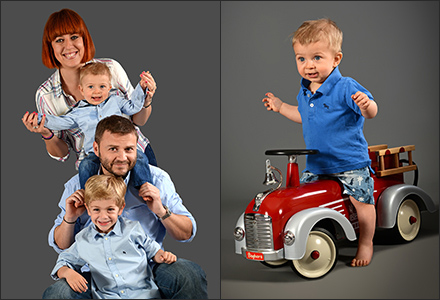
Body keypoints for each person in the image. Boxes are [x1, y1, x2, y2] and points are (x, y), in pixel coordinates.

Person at [43, 115, 208, 299]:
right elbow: (62, 248)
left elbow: (186, 233)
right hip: (98, 275)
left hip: (146, 267)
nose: (122, 158)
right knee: (58, 293)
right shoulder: (77, 187)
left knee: (188, 274)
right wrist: (70, 218)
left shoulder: (156, 180)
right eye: (113, 149)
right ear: (96, 149)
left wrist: (161, 210)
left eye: (129, 149)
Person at [262, 18, 378, 267]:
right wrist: (281, 107)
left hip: (349, 162)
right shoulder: (305, 91)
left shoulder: (346, 86)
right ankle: (299, 238)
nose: (308, 66)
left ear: (336, 59)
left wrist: (367, 106)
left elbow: (372, 111)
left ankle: (366, 242)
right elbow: (303, 117)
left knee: (362, 201)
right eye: (301, 59)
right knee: (303, 200)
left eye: (317, 57)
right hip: (318, 165)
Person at [21, 8, 157, 170]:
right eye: (59, 40)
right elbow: (62, 153)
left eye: (74, 37)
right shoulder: (45, 95)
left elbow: (138, 120)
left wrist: (145, 100)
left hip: (135, 156)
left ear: (84, 39)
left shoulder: (111, 69)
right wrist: (45, 133)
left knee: (150, 193)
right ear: (50, 46)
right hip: (95, 168)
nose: (68, 46)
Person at [51, 174, 177, 299]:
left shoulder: (133, 229)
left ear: (120, 208)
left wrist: (163, 256)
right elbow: (63, 261)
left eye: (110, 209)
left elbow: (153, 250)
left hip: (143, 295)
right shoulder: (83, 239)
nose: (104, 216)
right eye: (96, 210)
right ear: (88, 210)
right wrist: (68, 273)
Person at [31, 61, 153, 189]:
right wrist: (40, 119)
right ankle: (87, 196)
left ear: (109, 87)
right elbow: (61, 122)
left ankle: (145, 188)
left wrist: (141, 88)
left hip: (122, 149)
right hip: (95, 153)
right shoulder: (78, 112)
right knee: (85, 166)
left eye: (102, 86)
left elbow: (133, 107)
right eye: (90, 87)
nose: (97, 92)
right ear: (81, 90)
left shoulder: (116, 101)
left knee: (140, 158)